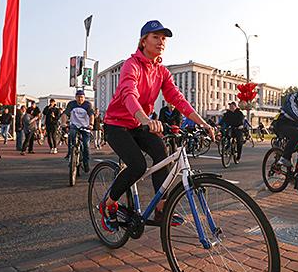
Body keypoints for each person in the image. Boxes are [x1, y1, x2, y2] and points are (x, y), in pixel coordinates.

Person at [100, 20, 215, 232]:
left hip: (138, 125)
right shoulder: (131, 64)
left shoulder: (161, 72)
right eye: (156, 37)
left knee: (162, 155)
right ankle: (108, 204)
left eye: (164, 38)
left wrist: (203, 123)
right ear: (143, 41)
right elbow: (129, 93)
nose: (161, 41)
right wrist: (145, 119)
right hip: (116, 124)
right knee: (137, 165)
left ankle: (161, 209)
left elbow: (178, 99)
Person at [61, 89, 94, 172]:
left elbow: (91, 115)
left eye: (82, 97)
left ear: (84, 97)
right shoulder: (71, 104)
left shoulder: (87, 104)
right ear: (75, 97)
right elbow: (65, 114)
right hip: (74, 125)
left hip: (85, 127)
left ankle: (86, 162)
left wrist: (91, 124)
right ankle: (70, 153)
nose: (80, 99)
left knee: (86, 145)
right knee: (71, 134)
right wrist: (63, 122)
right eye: (78, 97)